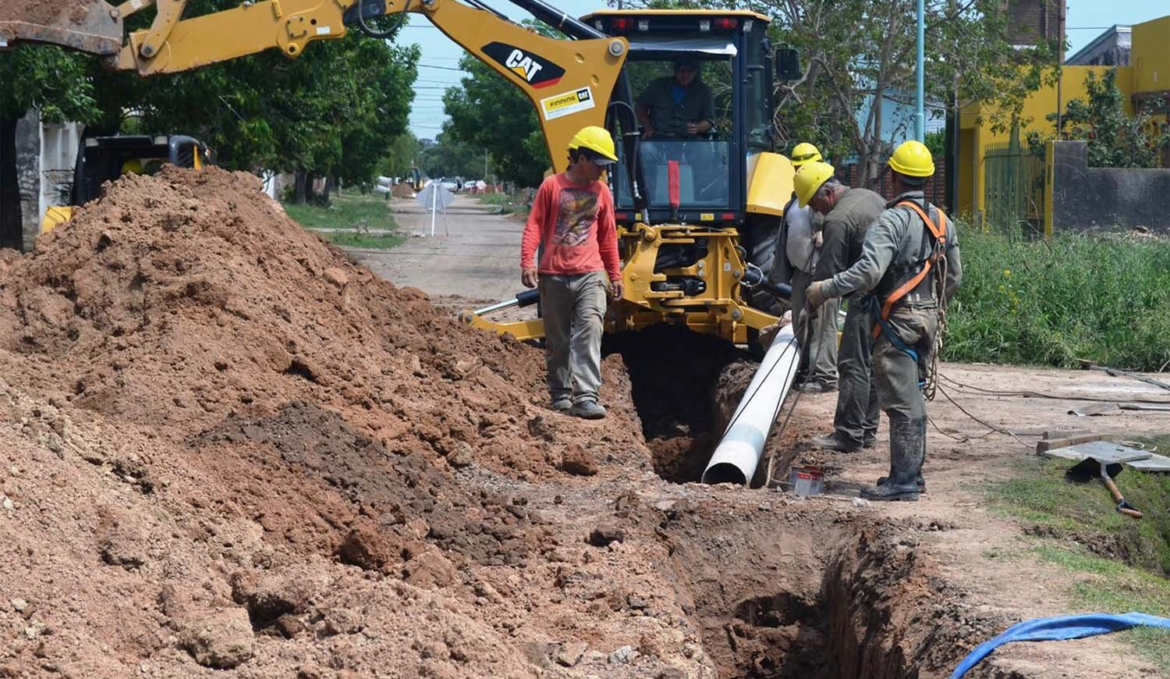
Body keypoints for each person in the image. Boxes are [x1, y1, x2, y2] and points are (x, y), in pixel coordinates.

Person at [806, 140, 963, 501]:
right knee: (912, 395)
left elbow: (868, 272)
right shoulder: (942, 221)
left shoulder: (890, 221)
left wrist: (824, 289)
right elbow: (953, 277)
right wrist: (932, 309)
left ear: (892, 177)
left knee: (901, 402)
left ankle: (904, 482)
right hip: (927, 319)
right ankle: (910, 475)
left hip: (896, 321)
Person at [520, 126, 624, 420]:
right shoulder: (552, 186)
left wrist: (614, 275)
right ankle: (560, 394)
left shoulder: (602, 192)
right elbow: (535, 225)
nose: (602, 172)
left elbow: (607, 236)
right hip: (554, 274)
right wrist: (527, 261)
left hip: (590, 273)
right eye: (598, 164)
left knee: (590, 329)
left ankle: (587, 397)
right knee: (558, 339)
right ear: (579, 157)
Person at [793, 161, 886, 452]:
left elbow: (827, 278)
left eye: (814, 204)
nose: (815, 211)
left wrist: (809, 308)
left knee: (852, 363)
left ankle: (847, 434)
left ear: (828, 193)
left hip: (866, 296)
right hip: (893, 296)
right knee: (872, 364)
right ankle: (867, 430)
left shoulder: (837, 220)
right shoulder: (869, 196)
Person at [768, 143, 839, 392]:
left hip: (823, 273)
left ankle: (825, 377)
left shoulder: (827, 198)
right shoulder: (794, 199)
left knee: (823, 325)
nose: (799, 172)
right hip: (800, 273)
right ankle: (806, 371)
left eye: (803, 167)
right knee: (802, 324)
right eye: (797, 167)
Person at [635, 56, 715, 139]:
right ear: (675, 71)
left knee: (703, 149)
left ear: (695, 72)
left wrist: (697, 127)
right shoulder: (658, 86)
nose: (685, 74)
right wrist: (648, 128)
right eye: (682, 70)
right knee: (646, 148)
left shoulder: (704, 91)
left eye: (689, 71)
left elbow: (709, 121)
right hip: (658, 137)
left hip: (690, 139)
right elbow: (639, 107)